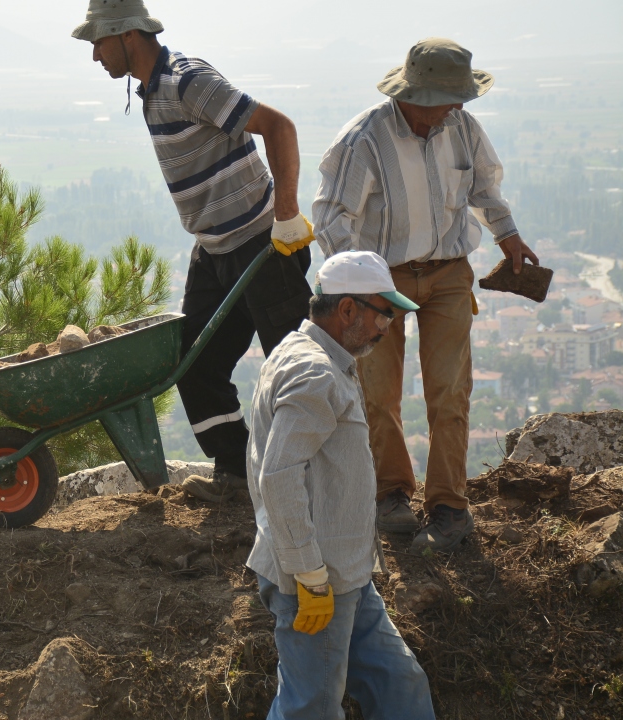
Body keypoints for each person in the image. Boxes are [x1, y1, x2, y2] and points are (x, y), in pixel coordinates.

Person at [71, 0, 315, 502]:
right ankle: (238, 471)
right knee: (193, 365)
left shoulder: (186, 80)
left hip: (262, 244)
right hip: (213, 249)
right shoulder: (150, 90)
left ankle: (316, 485)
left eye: (98, 40)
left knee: (295, 367)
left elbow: (279, 127)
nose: (95, 54)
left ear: (128, 35)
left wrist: (286, 214)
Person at [312, 39, 537, 552]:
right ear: (415, 93)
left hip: (448, 273)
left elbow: (484, 188)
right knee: (379, 391)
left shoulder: (460, 127)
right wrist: (361, 284)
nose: (458, 107)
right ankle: (391, 496)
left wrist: (508, 235)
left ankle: (448, 505)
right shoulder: (362, 141)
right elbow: (330, 219)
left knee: (450, 390)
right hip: (381, 282)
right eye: (449, 98)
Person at [247, 251, 434, 719]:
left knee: (400, 685)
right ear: (347, 309)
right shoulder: (315, 373)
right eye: (383, 313)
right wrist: (309, 574)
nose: (387, 325)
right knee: (309, 708)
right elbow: (279, 477)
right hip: (316, 579)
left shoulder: (310, 354)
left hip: (346, 573)